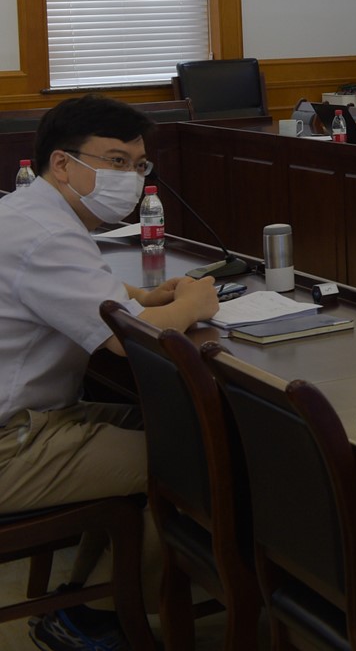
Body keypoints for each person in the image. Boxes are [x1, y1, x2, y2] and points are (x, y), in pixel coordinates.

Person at [0, 95, 220, 651]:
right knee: (191, 461)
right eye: (116, 162)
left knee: (172, 427)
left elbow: (82, 291)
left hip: (32, 420)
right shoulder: (47, 234)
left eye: (139, 165)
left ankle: (84, 602)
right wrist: (192, 304)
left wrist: (143, 295)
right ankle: (94, 620)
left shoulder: (28, 212)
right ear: (62, 163)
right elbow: (130, 339)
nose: (131, 177)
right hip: (11, 446)